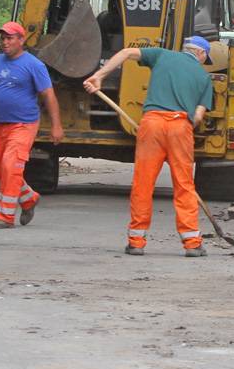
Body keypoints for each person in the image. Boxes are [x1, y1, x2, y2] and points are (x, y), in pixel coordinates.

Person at [83, 37, 214, 257]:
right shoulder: (203, 76)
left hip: (152, 124)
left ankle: (136, 242)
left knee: (143, 183)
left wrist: (99, 76)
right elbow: (198, 116)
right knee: (184, 185)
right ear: (201, 54)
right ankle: (192, 242)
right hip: (181, 126)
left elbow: (126, 53)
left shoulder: (163, 55)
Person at [0, 21, 64, 229]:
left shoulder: (34, 65)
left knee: (11, 166)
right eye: (3, 38)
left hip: (23, 125)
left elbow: (48, 95)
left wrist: (56, 125)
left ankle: (5, 216)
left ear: (21, 40)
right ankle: (28, 198)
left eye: (9, 38)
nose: (5, 42)